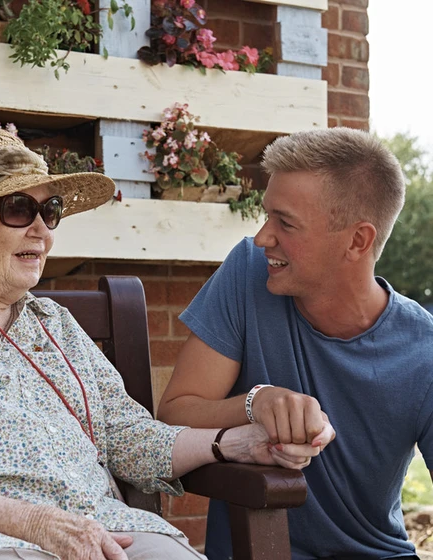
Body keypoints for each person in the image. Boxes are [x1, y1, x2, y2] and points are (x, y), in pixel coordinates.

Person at [0, 129, 326, 560]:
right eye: (17, 209)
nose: (43, 232)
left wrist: (236, 443)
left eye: (48, 211)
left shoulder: (55, 324)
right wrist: (36, 523)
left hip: (100, 528)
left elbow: (127, 436)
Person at [157, 127, 433, 560]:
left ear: (357, 240)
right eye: (267, 216)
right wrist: (257, 402)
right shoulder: (248, 273)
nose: (264, 237)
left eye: (285, 222)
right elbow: (174, 414)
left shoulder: (425, 350)